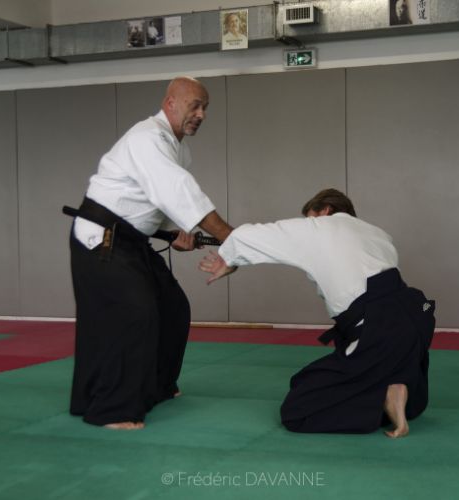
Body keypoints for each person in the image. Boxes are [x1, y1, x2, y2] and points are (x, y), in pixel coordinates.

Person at [199, 188, 435, 438]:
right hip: (416, 318)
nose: (307, 222)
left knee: (297, 411)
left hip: (377, 326)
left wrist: (229, 259)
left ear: (325, 211)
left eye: (309, 216)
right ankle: (395, 384)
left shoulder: (319, 227)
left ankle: (383, 394)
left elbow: (250, 236)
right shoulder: (377, 233)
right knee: (315, 377)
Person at [68, 77, 233, 430]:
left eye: (205, 108)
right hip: (101, 238)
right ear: (170, 103)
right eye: (195, 105)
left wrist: (177, 233)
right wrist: (232, 238)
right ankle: (112, 409)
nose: (201, 114)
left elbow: (155, 200)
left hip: (131, 239)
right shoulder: (148, 138)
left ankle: (156, 386)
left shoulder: (178, 148)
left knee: (173, 307)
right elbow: (179, 191)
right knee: (133, 313)